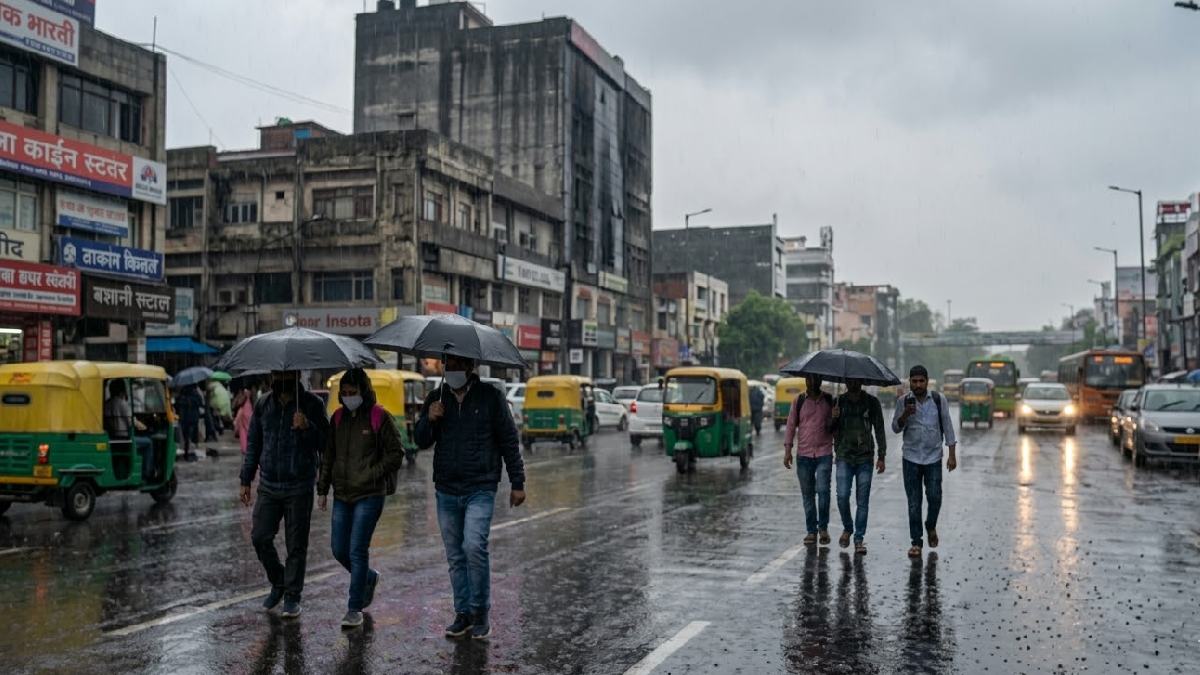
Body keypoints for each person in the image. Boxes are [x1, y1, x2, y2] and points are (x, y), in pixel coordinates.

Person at [414, 355, 525, 641]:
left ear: (469, 367)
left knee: (474, 546)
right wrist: (429, 418)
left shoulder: (491, 397)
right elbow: (420, 440)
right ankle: (462, 614)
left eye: (456, 365)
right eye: (447, 364)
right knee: (455, 555)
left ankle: (480, 612)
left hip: (480, 486)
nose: (451, 370)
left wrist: (517, 482)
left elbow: (508, 440)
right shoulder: (436, 397)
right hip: (446, 488)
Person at [318, 369, 406, 629]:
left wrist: (372, 473)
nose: (348, 397)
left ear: (363, 391)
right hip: (342, 494)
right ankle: (368, 576)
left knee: (357, 549)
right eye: (344, 394)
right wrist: (322, 489)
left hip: (370, 494)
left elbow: (396, 453)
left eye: (352, 392)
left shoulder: (379, 416)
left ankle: (354, 607)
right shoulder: (337, 419)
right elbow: (328, 456)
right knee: (338, 549)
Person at [239, 371, 330, 619]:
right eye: (276, 372)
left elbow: (326, 443)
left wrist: (307, 427)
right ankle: (279, 581)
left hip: (299, 485)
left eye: (285, 372)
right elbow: (254, 444)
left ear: (296, 374)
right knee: (259, 537)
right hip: (268, 484)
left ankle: (292, 596)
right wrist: (245, 479)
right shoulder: (263, 404)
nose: (279, 377)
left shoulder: (312, 404)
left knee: (296, 546)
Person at [891, 365, 957, 559]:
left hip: (933, 457)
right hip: (910, 457)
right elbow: (895, 427)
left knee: (935, 496)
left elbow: (948, 425)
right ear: (910, 382)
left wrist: (952, 454)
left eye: (921, 381)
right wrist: (905, 414)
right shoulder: (903, 401)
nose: (918, 385)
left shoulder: (938, 400)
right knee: (914, 502)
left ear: (927, 381)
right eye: (914, 381)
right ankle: (916, 542)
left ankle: (930, 525)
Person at [831, 378, 887, 555]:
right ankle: (848, 528)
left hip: (865, 458)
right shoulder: (838, 402)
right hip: (844, 456)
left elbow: (879, 428)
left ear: (861, 381)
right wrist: (833, 417)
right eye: (850, 380)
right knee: (842, 496)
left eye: (856, 381)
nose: (853, 383)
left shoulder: (872, 403)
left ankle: (859, 539)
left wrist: (882, 455)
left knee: (862, 501)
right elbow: (829, 429)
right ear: (846, 382)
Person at [782, 375, 836, 547]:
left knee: (823, 491)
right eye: (809, 379)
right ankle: (811, 531)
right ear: (805, 381)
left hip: (824, 453)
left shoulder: (829, 400)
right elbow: (791, 425)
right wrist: (787, 450)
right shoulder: (798, 401)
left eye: (816, 379)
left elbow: (835, 428)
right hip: (803, 455)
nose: (813, 382)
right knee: (808, 495)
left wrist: (835, 417)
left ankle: (823, 528)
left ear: (821, 381)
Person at [104, 380, 152, 480]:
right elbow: (131, 422)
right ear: (122, 390)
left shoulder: (106, 404)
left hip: (112, 439)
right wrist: (143, 426)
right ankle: (147, 473)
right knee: (149, 443)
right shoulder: (122, 403)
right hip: (124, 440)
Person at [175, 385, 204, 461]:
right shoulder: (195, 395)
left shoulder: (181, 395)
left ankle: (186, 451)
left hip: (184, 418)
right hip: (193, 418)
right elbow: (200, 403)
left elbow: (177, 405)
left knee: (185, 436)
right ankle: (188, 452)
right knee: (190, 436)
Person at [233, 386, 254, 455]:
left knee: (243, 431)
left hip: (244, 411)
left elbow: (240, 402)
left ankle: (245, 448)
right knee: (248, 429)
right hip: (249, 410)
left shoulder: (244, 392)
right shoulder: (251, 393)